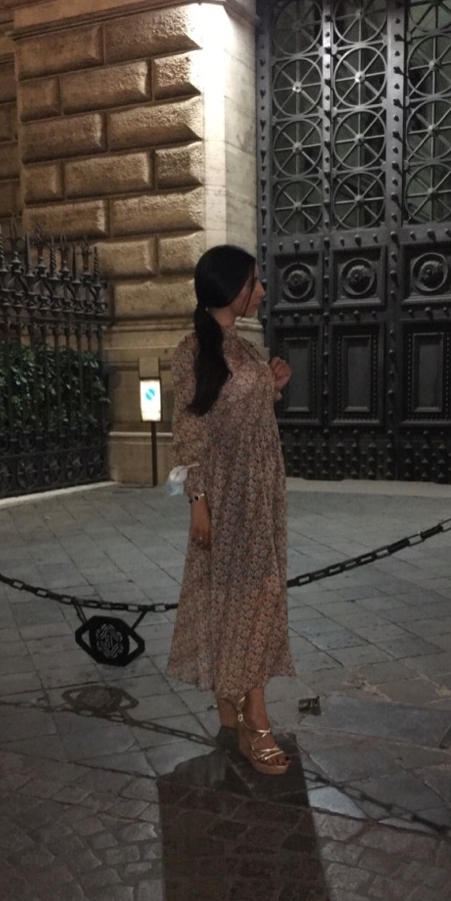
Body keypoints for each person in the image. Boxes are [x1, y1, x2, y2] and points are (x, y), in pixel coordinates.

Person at [166, 244, 295, 775]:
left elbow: (240, 412)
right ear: (230, 289)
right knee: (251, 597)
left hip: (261, 493)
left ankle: (232, 702)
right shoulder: (192, 352)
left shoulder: (243, 348)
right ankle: (255, 718)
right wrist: (198, 501)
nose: (261, 291)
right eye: (253, 282)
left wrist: (272, 386)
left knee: (246, 596)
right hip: (226, 495)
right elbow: (191, 429)